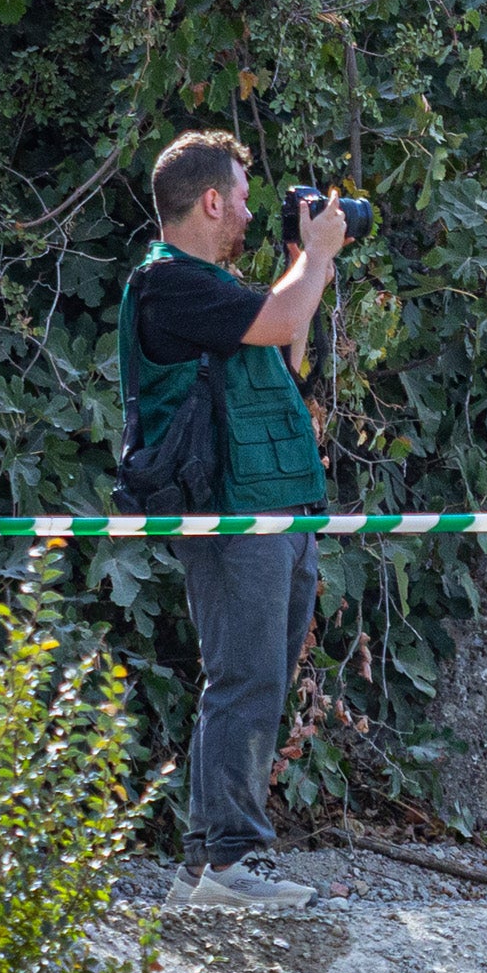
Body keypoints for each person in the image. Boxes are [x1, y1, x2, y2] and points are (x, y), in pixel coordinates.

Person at [124, 130, 345, 911]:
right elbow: (285, 324)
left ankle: (206, 865)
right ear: (211, 200)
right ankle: (232, 861)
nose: (251, 213)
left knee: (259, 676)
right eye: (245, 200)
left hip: (272, 501)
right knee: (243, 677)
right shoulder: (169, 285)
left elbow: (282, 347)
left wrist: (303, 258)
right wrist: (315, 251)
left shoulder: (211, 290)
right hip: (228, 510)